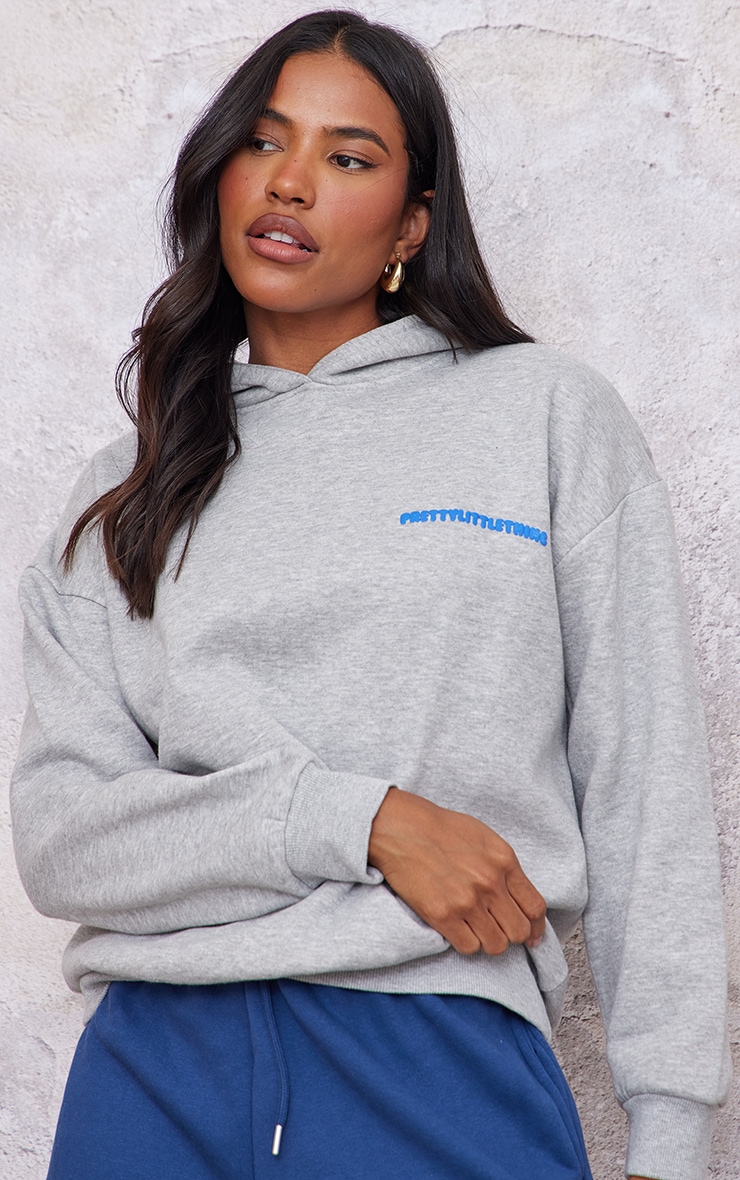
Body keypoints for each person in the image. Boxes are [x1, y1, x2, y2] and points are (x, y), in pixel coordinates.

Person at [10, 9, 730, 1180]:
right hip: (153, 1073)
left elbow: (644, 784)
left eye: (346, 157)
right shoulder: (124, 492)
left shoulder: (541, 417)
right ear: (218, 173)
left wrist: (670, 1129)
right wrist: (361, 821)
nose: (290, 180)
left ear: (409, 224)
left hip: (438, 1056)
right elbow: (64, 842)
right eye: (262, 141)